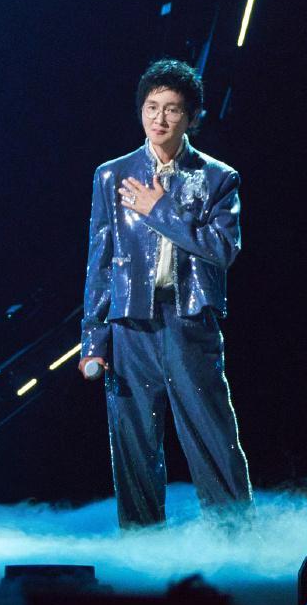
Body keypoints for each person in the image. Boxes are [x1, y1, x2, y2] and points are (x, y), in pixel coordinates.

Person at [79, 58, 252, 527]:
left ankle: (236, 541)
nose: (159, 118)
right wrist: (93, 340)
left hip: (189, 319)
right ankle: (142, 548)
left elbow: (222, 249)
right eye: (151, 107)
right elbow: (100, 260)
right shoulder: (112, 175)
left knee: (211, 434)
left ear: (191, 117)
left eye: (172, 109)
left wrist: (160, 209)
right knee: (133, 442)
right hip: (130, 323)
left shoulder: (218, 178)